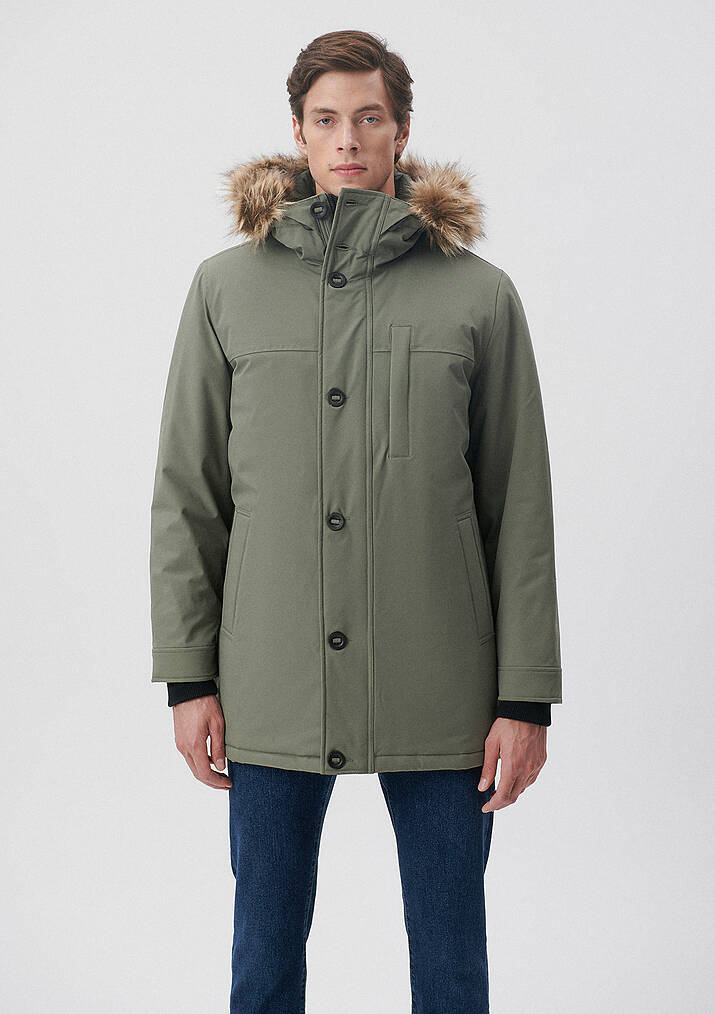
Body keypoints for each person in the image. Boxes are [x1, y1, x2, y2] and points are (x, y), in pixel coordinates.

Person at [149, 28, 562, 1014]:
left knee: (451, 963)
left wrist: (526, 700)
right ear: (297, 131)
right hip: (269, 683)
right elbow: (189, 493)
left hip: (445, 684)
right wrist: (189, 678)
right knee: (262, 960)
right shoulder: (225, 289)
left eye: (368, 118)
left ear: (400, 131)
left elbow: (519, 506)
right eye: (326, 119)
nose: (346, 139)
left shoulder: (477, 295)